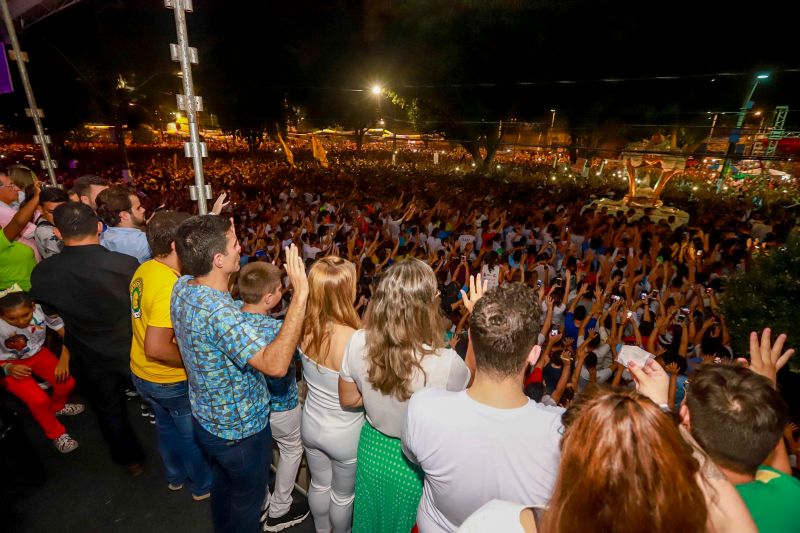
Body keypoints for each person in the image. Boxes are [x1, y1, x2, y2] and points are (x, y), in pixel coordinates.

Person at [170, 215, 308, 533]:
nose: (240, 247)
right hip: (240, 433)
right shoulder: (221, 314)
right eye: (234, 244)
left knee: (223, 487)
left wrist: (210, 223)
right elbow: (275, 365)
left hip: (206, 419)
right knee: (247, 504)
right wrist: (300, 295)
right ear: (218, 260)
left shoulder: (183, 287)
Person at [402, 282, 563, 532]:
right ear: (534, 354)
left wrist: (482, 326)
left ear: (472, 344)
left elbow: (412, 456)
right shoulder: (559, 433)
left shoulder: (424, 408)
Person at [339, 258, 470, 533]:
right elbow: (467, 402)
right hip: (415, 464)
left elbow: (349, 399)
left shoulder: (358, 341)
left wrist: (379, 392)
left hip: (372, 450)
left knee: (368, 520)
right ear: (430, 305)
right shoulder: (447, 364)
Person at [30, 202, 145, 474]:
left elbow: (50, 313)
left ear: (58, 232)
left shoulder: (43, 272)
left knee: (109, 411)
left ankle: (132, 462)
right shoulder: (125, 265)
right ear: (97, 227)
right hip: (132, 349)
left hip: (86, 353)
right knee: (163, 405)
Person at [681, 329, 800, 533]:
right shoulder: (792, 495)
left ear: (686, 418)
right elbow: (780, 471)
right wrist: (765, 391)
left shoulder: (684, 507)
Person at [128, 211, 212, 500]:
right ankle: (202, 486)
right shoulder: (169, 286)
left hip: (143, 373)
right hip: (169, 379)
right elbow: (158, 347)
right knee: (191, 436)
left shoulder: (146, 269)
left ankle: (175, 476)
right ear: (177, 245)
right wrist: (195, 361)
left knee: (166, 428)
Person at [236, 261, 310, 531]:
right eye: (280, 289)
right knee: (292, 449)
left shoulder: (230, 315)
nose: (283, 292)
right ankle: (279, 508)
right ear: (269, 298)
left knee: (261, 455)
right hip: (281, 407)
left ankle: (262, 503)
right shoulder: (276, 332)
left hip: (247, 407)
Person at [300, 256, 364, 533]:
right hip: (344, 433)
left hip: (311, 422)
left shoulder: (302, 324)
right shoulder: (355, 339)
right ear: (346, 290)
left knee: (318, 484)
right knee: (342, 495)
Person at [0, 286, 84, 453]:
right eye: (12, 319)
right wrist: (7, 368)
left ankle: (57, 407)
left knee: (67, 383)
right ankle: (56, 434)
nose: (21, 321)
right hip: (7, 363)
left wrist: (64, 360)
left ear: (32, 306)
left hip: (38, 353)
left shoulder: (42, 309)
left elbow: (66, 334)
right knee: (38, 400)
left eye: (25, 315)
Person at [0, 181, 41, 290]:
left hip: (34, 292)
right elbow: (18, 223)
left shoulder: (4, 237)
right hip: (19, 299)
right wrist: (37, 197)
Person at [96, 186, 151, 263]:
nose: (143, 209)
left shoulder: (100, 239)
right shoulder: (144, 243)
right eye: (138, 208)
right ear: (124, 215)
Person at [34, 186, 69, 259]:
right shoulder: (45, 231)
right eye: (52, 212)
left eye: (63, 210)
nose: (59, 215)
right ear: (40, 209)